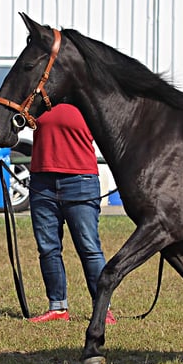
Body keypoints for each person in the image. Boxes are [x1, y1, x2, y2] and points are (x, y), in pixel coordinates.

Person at [26, 102, 116, 325]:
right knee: (48, 248)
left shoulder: (87, 100)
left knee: (89, 247)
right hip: (42, 181)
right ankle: (57, 307)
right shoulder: (37, 101)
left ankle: (102, 308)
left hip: (81, 181)